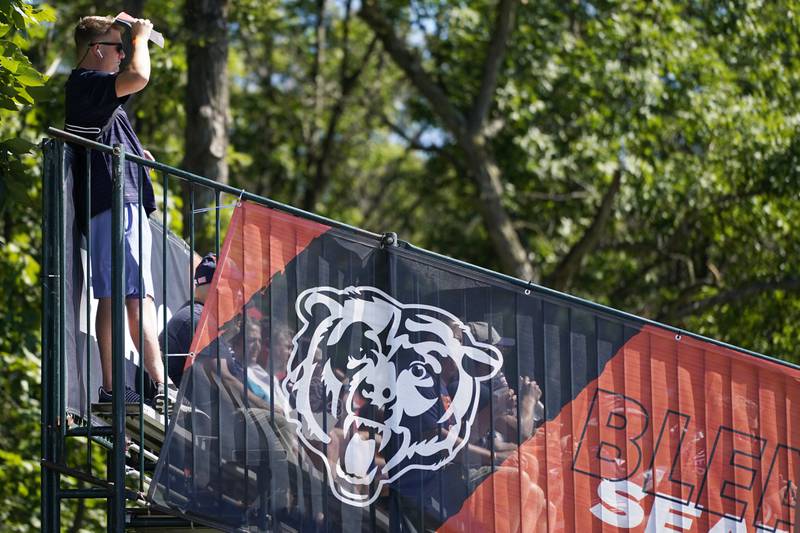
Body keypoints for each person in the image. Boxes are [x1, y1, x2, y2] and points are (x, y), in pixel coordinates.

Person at [65, 15, 175, 412]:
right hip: (113, 204)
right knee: (133, 297)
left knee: (119, 295)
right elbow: (139, 76)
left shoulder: (94, 94)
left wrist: (136, 156)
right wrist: (142, 37)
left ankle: (120, 388)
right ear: (98, 50)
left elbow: (109, 128)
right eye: (118, 47)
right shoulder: (86, 84)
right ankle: (160, 387)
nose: (124, 53)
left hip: (115, 204)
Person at [159, 253, 216, 387]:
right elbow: (221, 378)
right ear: (216, 286)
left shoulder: (196, 315)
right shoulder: (194, 319)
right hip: (184, 405)